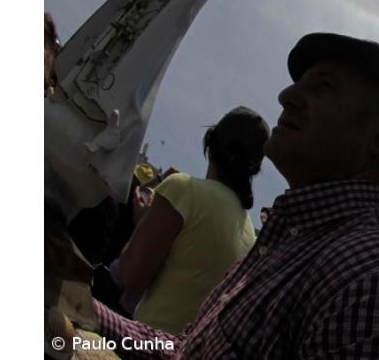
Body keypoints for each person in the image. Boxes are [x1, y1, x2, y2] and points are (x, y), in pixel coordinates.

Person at [89, 33, 379, 358]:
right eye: (298, 83)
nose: (287, 95)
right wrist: (81, 311)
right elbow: (186, 350)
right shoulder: (284, 245)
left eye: (324, 86)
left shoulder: (377, 278)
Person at [114, 106, 269, 334]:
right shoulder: (248, 233)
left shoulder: (182, 189)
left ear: (210, 145)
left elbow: (130, 277)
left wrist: (141, 225)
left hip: (145, 343)